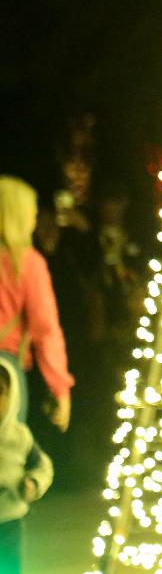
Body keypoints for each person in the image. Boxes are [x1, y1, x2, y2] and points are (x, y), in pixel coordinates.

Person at [0, 178, 73, 435]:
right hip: (4, 376)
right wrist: (60, 388)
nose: (35, 219)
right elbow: (46, 330)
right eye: (31, 212)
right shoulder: (28, 264)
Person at [0, 356, 52, 574]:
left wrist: (33, 483)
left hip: (9, 524)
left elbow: (43, 465)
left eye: (0, 393)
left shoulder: (20, 437)